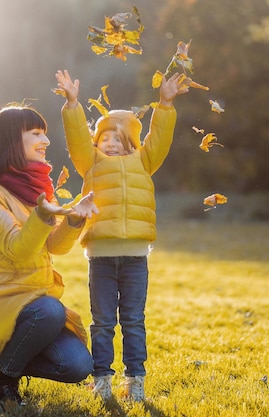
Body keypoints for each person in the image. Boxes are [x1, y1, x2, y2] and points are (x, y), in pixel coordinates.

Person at [0, 103, 98, 413]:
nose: (45, 141)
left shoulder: (37, 190)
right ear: (10, 140)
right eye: (36, 134)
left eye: (44, 134)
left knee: (77, 365)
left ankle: (7, 360)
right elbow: (17, 247)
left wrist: (74, 220)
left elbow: (54, 247)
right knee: (51, 311)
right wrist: (42, 216)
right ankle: (2, 382)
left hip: (33, 304)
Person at [54, 69, 189, 402]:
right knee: (102, 322)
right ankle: (101, 379)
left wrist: (165, 104)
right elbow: (76, 140)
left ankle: (135, 379)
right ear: (96, 143)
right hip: (100, 257)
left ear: (130, 142)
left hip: (135, 257)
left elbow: (159, 138)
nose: (110, 144)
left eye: (118, 139)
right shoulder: (92, 163)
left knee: (132, 319)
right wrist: (72, 105)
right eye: (104, 139)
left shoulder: (144, 161)